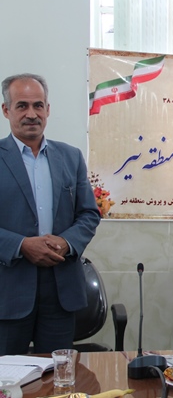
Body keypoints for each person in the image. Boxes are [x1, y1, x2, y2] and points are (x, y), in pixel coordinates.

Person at [0, 73, 101, 354]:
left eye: (38, 105)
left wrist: (66, 243)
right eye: (22, 106)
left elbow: (89, 214)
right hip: (8, 291)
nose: (31, 114)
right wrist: (22, 245)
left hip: (60, 290)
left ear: (47, 109)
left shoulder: (70, 157)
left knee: (59, 374)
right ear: (6, 110)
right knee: (7, 374)